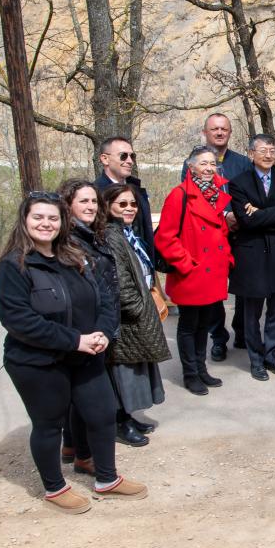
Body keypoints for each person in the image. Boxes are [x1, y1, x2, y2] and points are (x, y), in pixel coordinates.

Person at [0, 192, 146, 513]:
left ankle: (106, 479)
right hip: (38, 362)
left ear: (63, 221)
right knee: (49, 424)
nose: (46, 224)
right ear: (24, 220)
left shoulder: (74, 256)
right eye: (38, 217)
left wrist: (103, 332)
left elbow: (104, 299)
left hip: (85, 354)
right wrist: (75, 340)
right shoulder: (14, 264)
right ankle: (55, 488)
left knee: (103, 413)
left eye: (53, 218)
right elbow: (19, 320)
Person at [156, 145, 233, 396]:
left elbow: (221, 232)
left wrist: (227, 258)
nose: (209, 168)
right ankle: (190, 374)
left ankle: (201, 369)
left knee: (204, 324)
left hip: (212, 272)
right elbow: (165, 238)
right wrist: (187, 264)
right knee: (189, 325)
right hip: (191, 273)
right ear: (191, 167)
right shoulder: (179, 195)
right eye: (203, 163)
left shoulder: (214, 193)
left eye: (212, 164)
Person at [99, 184, 172, 445]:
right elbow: (119, 282)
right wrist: (141, 309)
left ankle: (128, 417)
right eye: (122, 204)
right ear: (107, 206)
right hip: (128, 318)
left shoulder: (127, 233)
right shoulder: (110, 236)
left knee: (135, 368)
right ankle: (121, 422)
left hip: (140, 310)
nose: (129, 208)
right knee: (123, 373)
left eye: (132, 204)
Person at [228, 134, 275, 382]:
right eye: (263, 150)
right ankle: (256, 360)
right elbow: (245, 220)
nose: (269, 155)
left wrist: (261, 212)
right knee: (252, 313)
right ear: (251, 154)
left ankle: (272, 357)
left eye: (272, 150)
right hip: (252, 254)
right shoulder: (239, 183)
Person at [57, 180, 120, 476]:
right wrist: (97, 330)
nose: (91, 206)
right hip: (86, 329)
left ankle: (72, 446)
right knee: (87, 398)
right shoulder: (69, 240)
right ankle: (83, 453)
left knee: (80, 395)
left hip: (100, 323)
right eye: (83, 201)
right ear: (67, 204)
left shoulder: (91, 234)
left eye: (94, 201)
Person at [179, 114, 251, 364]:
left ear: (230, 132)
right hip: (209, 237)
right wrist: (223, 215)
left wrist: (237, 215)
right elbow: (192, 197)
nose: (219, 133)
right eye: (214, 129)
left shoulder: (242, 163)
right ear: (205, 132)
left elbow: (250, 194)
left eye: (224, 129)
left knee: (244, 286)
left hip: (240, 233)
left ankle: (242, 331)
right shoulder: (192, 163)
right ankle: (218, 337)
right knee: (212, 290)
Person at [95, 136, 155, 266]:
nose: (129, 161)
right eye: (123, 156)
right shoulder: (96, 195)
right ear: (105, 159)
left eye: (132, 156)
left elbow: (145, 233)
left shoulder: (137, 190)